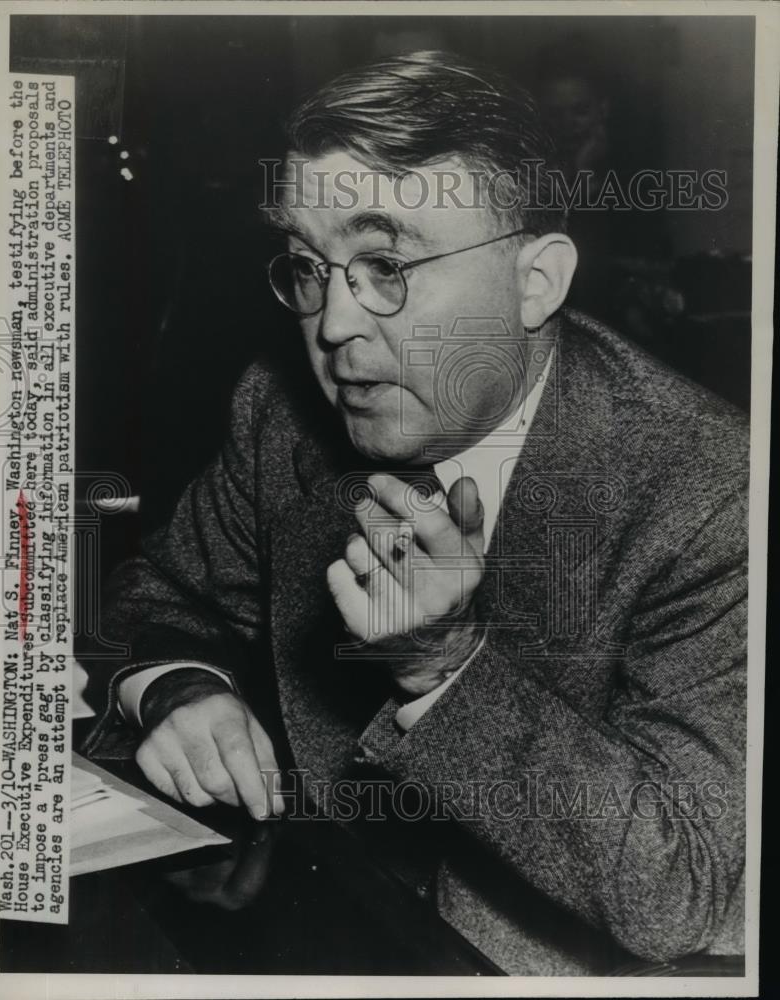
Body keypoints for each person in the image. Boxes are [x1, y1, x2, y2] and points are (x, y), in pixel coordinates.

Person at [83, 51, 747, 974]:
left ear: (536, 281)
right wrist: (180, 687)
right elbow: (157, 595)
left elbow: (686, 887)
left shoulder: (712, 490)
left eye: (386, 263)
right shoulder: (283, 412)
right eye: (310, 269)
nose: (335, 325)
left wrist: (445, 667)